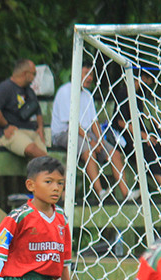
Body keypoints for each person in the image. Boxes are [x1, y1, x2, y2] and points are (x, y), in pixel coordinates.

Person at [52, 62, 135, 201]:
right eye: (85, 73)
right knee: (88, 150)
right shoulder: (66, 91)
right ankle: (101, 192)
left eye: (91, 74)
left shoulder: (88, 95)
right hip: (65, 133)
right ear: (76, 73)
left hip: (85, 133)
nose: (89, 77)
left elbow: (94, 122)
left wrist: (100, 140)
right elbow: (72, 124)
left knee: (114, 153)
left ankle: (127, 194)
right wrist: (92, 141)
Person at [111, 70, 161, 199]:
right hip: (124, 136)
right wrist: (142, 135)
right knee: (147, 150)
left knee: (160, 145)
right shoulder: (124, 92)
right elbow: (121, 122)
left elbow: (140, 117)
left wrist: (151, 123)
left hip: (138, 134)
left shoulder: (139, 94)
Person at [0, 59, 48, 159]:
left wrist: (40, 127)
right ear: (25, 74)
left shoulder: (29, 91)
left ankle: (51, 167)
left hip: (30, 131)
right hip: (10, 132)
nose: (34, 78)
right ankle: (55, 167)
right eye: (34, 74)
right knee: (33, 149)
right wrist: (6, 126)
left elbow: (37, 110)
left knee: (40, 153)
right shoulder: (5, 88)